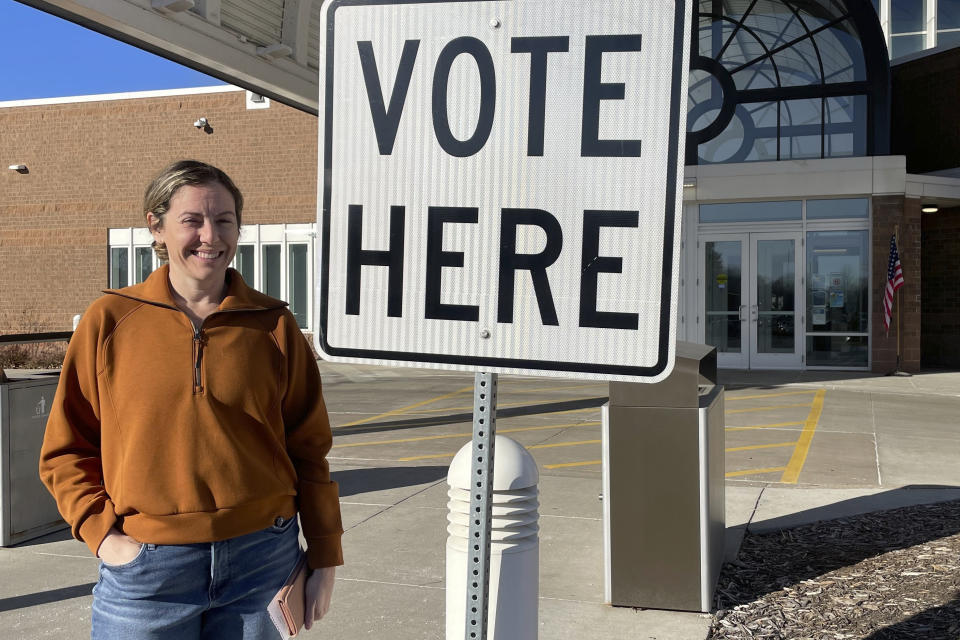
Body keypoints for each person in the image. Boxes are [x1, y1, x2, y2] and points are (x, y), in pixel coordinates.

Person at [39, 160, 342, 639]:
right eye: (192, 221)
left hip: (262, 565)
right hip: (147, 571)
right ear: (156, 228)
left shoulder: (273, 324)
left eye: (224, 220)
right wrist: (103, 535)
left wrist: (324, 554)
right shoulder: (109, 321)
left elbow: (309, 450)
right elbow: (66, 449)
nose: (210, 236)